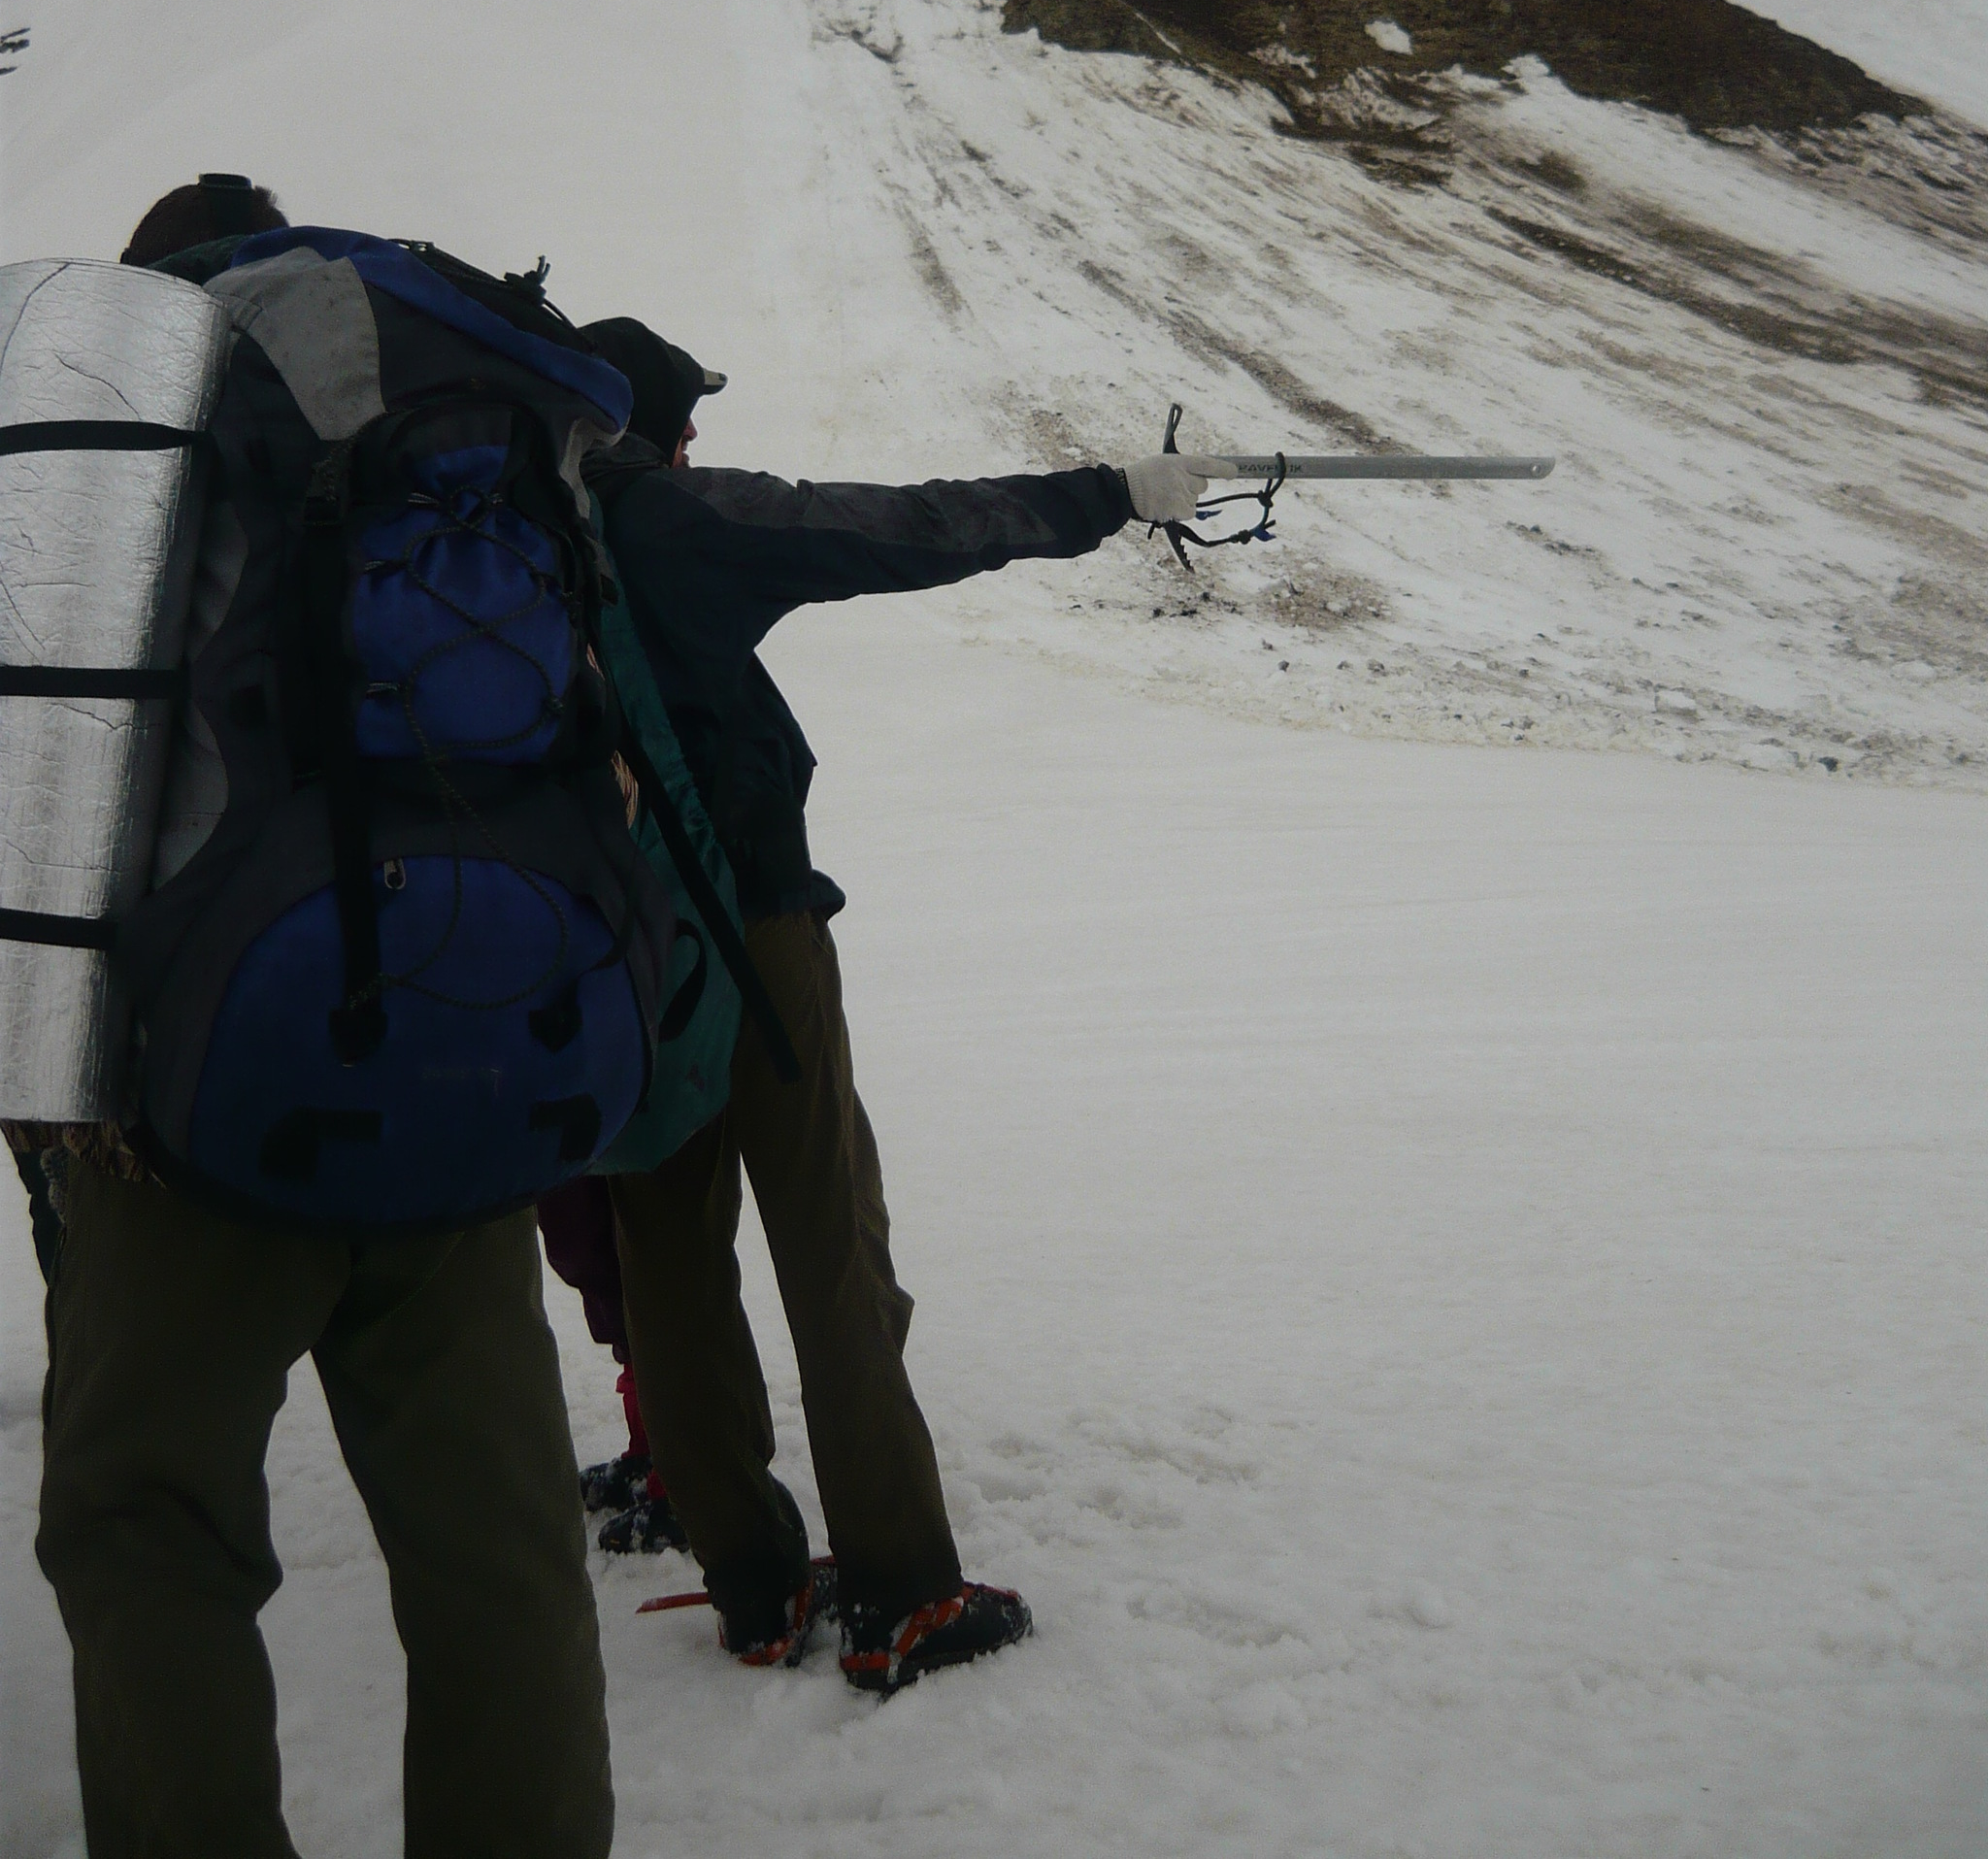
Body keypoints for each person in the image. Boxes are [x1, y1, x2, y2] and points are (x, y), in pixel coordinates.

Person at [25, 181, 616, 1859]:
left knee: (148, 1529)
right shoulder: (454, 405)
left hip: (189, 1113)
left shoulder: (129, 420)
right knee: (496, 1551)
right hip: (465, 1060)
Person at [564, 315, 1204, 1691]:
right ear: (656, 427)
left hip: (609, 957)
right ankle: (905, 1589)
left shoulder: (519, 529)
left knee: (669, 1263)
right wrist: (1105, 495)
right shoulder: (667, 519)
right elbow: (895, 527)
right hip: (751, 931)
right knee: (829, 1246)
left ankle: (752, 1587)